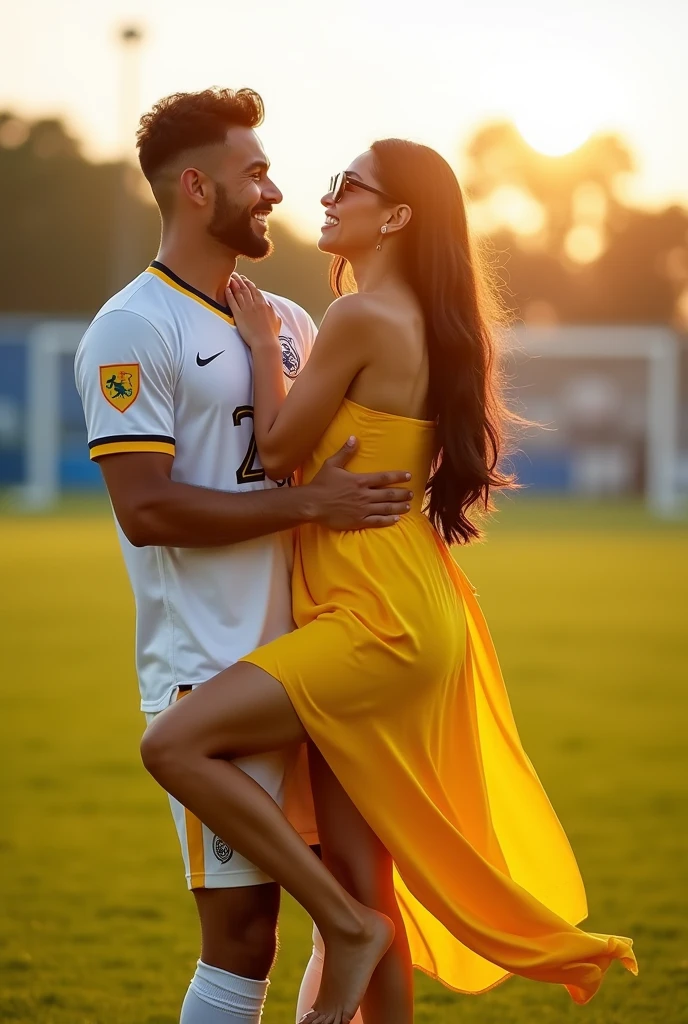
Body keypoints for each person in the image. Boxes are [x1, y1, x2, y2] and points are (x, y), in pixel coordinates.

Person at [141, 140, 638, 1024]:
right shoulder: (414, 314)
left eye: (347, 186)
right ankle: (353, 923)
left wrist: (261, 343)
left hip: (375, 618)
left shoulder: (362, 316)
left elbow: (285, 447)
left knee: (175, 745)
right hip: (407, 602)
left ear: (397, 215)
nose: (326, 198)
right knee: (364, 872)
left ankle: (344, 923)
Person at [74, 88, 414, 1024]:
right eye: (252, 173)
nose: (272, 191)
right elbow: (143, 509)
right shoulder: (133, 329)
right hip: (211, 669)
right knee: (242, 938)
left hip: (317, 660)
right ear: (195, 187)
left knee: (367, 906)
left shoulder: (295, 324)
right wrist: (307, 501)